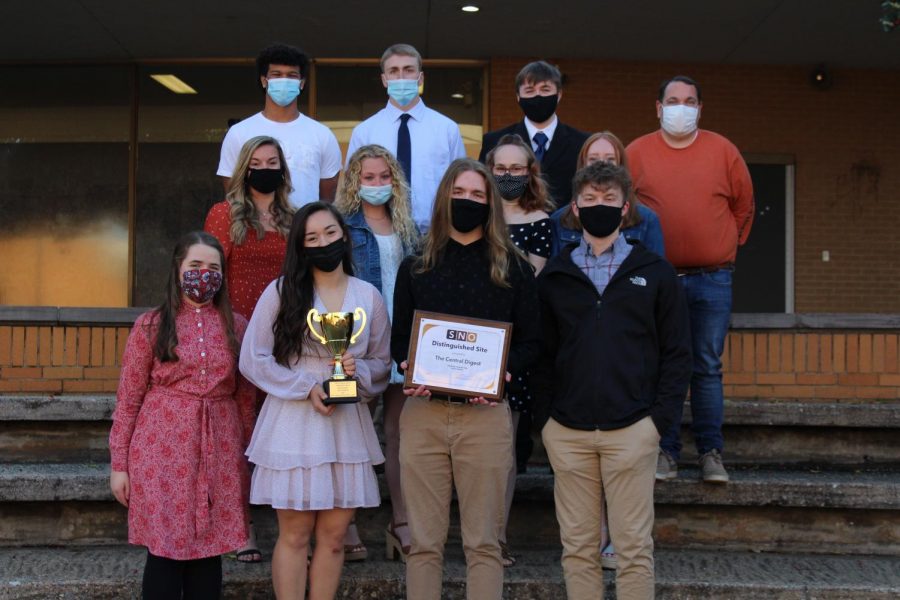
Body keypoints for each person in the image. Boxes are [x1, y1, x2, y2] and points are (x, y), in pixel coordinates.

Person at [536, 161, 692, 600]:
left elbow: (678, 353)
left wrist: (656, 423)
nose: (598, 207)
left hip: (633, 431)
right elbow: (543, 354)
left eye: (608, 199)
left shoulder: (656, 273)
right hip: (568, 432)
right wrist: (547, 420)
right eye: (589, 199)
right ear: (574, 209)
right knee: (579, 550)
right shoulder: (555, 277)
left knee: (634, 550)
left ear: (625, 208)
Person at [392, 158, 541, 600]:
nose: (468, 201)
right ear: (443, 198)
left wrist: (504, 373)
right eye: (459, 192)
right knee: (423, 545)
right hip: (423, 416)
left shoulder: (513, 267)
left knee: (484, 544)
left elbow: (532, 342)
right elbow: (401, 341)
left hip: (487, 416)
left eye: (478, 195)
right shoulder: (416, 265)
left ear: (491, 203)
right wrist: (407, 366)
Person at [239, 202, 391, 600]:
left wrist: (360, 376)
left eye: (329, 233)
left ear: (344, 235)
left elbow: (381, 360)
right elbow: (252, 358)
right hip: (294, 422)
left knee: (336, 536)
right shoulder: (281, 291)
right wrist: (304, 386)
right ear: (300, 247)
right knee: (295, 534)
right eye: (311, 238)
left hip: (346, 425)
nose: (323, 242)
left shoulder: (368, 296)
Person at [109, 231, 256, 599]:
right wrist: (119, 465)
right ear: (178, 269)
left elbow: (245, 397)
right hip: (162, 448)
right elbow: (128, 398)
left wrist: (250, 453)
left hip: (220, 446)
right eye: (195, 265)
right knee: (165, 550)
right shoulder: (151, 325)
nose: (204, 274)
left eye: (213, 267)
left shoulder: (236, 326)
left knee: (209, 549)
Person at [626, 75, 754, 484]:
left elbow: (743, 207)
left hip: (712, 279)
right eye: (674, 100)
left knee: (706, 367)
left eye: (690, 101)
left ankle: (710, 453)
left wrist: (724, 244)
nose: (682, 107)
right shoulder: (636, 152)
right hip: (656, 281)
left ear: (700, 108)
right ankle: (664, 452)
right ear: (659, 108)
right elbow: (623, 210)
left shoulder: (724, 150)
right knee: (660, 367)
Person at [204, 134, 295, 563]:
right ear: (244, 168)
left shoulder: (295, 218)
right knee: (241, 431)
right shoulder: (224, 215)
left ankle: (291, 527)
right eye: (257, 161)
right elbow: (211, 275)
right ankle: (241, 526)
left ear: (282, 167)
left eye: (272, 161)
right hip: (240, 335)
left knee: (282, 430)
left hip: (288, 337)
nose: (265, 168)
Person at [335, 144, 420, 563]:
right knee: (354, 432)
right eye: (368, 178)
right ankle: (345, 524)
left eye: (384, 177)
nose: (376, 184)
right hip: (361, 342)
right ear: (354, 181)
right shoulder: (343, 228)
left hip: (402, 340)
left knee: (399, 436)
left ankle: (400, 520)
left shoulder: (409, 229)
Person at [483, 133, 552, 567]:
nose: (507, 176)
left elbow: (525, 280)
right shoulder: (474, 212)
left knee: (503, 451)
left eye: (516, 168)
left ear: (530, 174)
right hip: (467, 341)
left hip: (513, 346)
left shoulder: (543, 221)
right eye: (500, 168)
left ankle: (497, 536)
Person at [346, 43, 466, 232]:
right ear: (384, 79)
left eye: (408, 70)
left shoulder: (447, 129)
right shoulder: (365, 131)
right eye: (393, 71)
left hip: (435, 234)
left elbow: (460, 183)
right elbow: (351, 188)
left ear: (420, 78)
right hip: (380, 233)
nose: (401, 77)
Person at [217, 43, 342, 208]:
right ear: (264, 81)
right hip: (254, 230)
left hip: (305, 231)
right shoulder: (239, 133)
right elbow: (232, 194)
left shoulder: (322, 135)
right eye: (277, 74)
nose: (284, 80)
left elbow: (326, 198)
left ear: (302, 83)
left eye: (291, 75)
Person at [479, 60, 588, 206]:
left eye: (545, 90)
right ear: (518, 96)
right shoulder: (493, 141)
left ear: (559, 94)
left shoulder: (582, 143)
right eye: (530, 91)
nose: (538, 96)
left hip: (566, 226)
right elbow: (484, 189)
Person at [550, 131, 665, 259]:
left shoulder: (647, 220)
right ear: (583, 164)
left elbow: (656, 273)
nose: (601, 165)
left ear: (621, 164)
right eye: (593, 159)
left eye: (610, 159)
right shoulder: (559, 220)